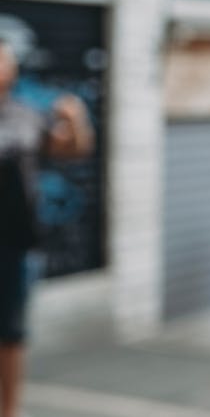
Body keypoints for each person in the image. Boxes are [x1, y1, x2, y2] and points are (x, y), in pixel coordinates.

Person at [0, 40, 92, 417]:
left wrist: (76, 119)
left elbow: (72, 150)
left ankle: (10, 409)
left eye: (4, 58)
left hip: (15, 241)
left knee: (11, 334)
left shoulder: (25, 114)